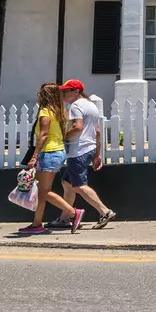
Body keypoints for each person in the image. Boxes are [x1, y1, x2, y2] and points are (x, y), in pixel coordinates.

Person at [18, 83, 82, 234]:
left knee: (44, 191)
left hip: (49, 152)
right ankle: (36, 224)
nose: (38, 96)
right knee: (41, 192)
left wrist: (34, 156)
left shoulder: (45, 112)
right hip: (57, 151)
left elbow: (43, 135)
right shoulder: (59, 112)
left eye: (40, 94)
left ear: (45, 96)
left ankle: (73, 212)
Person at [58, 78, 117, 227]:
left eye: (66, 91)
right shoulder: (91, 106)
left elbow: (78, 127)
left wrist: (61, 135)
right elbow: (97, 132)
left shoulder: (76, 106)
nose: (63, 94)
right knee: (67, 183)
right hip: (89, 148)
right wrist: (97, 154)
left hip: (78, 150)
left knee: (78, 185)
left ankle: (105, 211)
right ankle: (64, 218)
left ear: (76, 91)